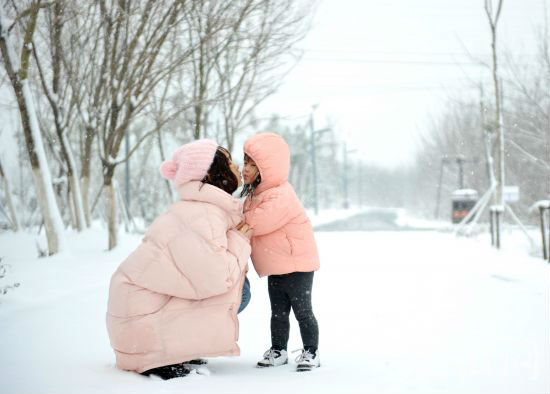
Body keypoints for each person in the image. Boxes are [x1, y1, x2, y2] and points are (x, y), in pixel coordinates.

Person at [106, 139, 252, 380]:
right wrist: (240, 240)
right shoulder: (202, 214)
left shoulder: (201, 208)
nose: (236, 166)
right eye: (228, 161)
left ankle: (178, 347)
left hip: (135, 324)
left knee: (239, 289)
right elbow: (217, 278)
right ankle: (163, 352)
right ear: (214, 174)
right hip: (139, 331)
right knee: (238, 292)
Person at [240, 132, 321, 372]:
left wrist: (237, 219)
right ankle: (278, 350)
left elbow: (257, 222)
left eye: (252, 165)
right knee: (278, 313)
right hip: (277, 265)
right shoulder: (256, 194)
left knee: (303, 311)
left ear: (268, 168)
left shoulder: (281, 194)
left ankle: (311, 352)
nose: (245, 169)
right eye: (245, 162)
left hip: (297, 265)